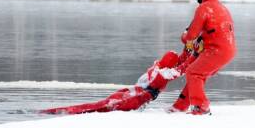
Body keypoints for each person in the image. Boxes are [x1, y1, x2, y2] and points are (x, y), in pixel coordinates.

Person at [40, 50, 183, 115]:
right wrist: (195, 55)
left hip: (129, 93)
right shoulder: (163, 74)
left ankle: (57, 111)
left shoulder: (155, 68)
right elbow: (182, 69)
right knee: (99, 108)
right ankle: (60, 112)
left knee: (98, 106)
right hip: (134, 99)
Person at [169, 0, 237, 115]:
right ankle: (180, 106)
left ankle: (201, 107)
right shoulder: (222, 7)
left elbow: (191, 36)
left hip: (216, 50)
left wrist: (184, 36)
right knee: (198, 75)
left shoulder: (204, 8)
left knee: (193, 73)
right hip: (228, 50)